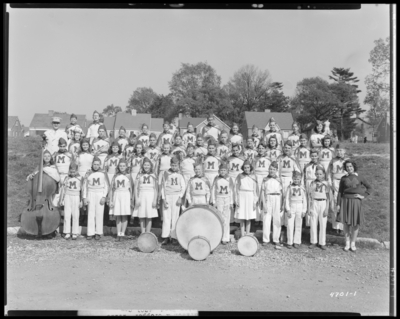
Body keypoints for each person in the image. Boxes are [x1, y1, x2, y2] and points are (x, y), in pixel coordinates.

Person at [337, 160, 372, 252]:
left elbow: (369, 187)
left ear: (354, 167)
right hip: (345, 201)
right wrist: (338, 204)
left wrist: (363, 196)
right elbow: (340, 192)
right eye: (347, 167)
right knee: (346, 223)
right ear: (345, 168)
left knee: (355, 223)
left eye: (351, 166)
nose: (349, 168)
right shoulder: (343, 178)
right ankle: (347, 242)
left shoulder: (360, 177)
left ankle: (353, 243)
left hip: (356, 202)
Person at [159, 157, 186, 245]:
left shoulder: (180, 174)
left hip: (176, 196)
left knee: (175, 217)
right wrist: (164, 198)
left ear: (178, 165)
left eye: (176, 165)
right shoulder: (166, 173)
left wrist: (180, 197)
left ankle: (174, 237)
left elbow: (183, 186)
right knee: (167, 217)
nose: (174, 167)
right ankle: (166, 236)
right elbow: (163, 186)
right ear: (170, 165)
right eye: (173, 165)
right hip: (168, 196)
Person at [82, 156, 109, 240]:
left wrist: (104, 196)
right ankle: (90, 233)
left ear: (100, 165)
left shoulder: (103, 173)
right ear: (92, 164)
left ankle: (98, 232)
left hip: (100, 193)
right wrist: (84, 197)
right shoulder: (88, 173)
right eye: (94, 164)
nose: (96, 166)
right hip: (91, 193)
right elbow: (84, 186)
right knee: (91, 213)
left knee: (99, 213)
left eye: (97, 164)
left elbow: (106, 186)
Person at [307, 165, 332, 250]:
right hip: (314, 202)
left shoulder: (326, 183)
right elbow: (310, 195)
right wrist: (309, 207)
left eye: (320, 174)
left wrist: (327, 209)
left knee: (323, 223)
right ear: (315, 174)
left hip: (323, 202)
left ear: (324, 174)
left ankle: (322, 242)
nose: (319, 176)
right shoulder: (313, 183)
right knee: (313, 222)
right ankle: (313, 241)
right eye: (317, 174)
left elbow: (328, 197)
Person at [259, 161, 283, 248]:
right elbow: (262, 192)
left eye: (274, 169)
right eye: (270, 169)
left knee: (277, 219)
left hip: (277, 198)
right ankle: (266, 239)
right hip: (268, 198)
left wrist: (281, 204)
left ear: (276, 170)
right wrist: (263, 204)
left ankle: (276, 239)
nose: (272, 171)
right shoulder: (265, 179)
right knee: (266, 219)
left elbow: (282, 192)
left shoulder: (279, 180)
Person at [109, 159, 134, 241]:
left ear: (126, 167)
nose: (122, 167)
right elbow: (112, 188)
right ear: (118, 167)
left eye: (123, 166)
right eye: (120, 166)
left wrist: (131, 199)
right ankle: (118, 233)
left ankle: (122, 233)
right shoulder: (115, 176)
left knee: (124, 215)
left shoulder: (129, 176)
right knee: (118, 215)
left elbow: (131, 189)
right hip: (117, 195)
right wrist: (111, 199)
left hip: (125, 195)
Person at [210, 162, 235, 245]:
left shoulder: (229, 179)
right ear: (218, 171)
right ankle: (219, 236)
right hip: (219, 198)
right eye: (221, 170)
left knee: (226, 218)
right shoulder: (216, 179)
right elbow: (213, 190)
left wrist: (231, 202)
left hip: (227, 198)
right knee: (219, 217)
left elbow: (231, 191)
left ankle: (225, 237)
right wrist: (213, 201)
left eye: (224, 170)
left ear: (227, 171)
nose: (223, 172)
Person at [132, 157, 158, 234]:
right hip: (142, 195)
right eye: (145, 165)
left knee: (149, 216)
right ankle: (142, 233)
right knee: (142, 215)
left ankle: (148, 233)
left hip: (150, 195)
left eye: (148, 165)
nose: (146, 166)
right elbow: (136, 187)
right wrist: (136, 199)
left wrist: (155, 200)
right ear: (142, 166)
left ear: (150, 166)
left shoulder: (153, 175)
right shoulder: (139, 175)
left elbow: (156, 189)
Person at [327, 144, 349, 235]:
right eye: (338, 150)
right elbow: (328, 173)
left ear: (344, 151)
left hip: (345, 182)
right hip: (335, 182)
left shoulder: (347, 160)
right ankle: (335, 226)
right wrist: (330, 182)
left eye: (341, 150)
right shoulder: (333, 161)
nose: (339, 152)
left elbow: (352, 171)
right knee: (336, 203)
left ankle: (343, 227)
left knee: (344, 203)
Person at [58, 162, 82, 240]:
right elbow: (63, 189)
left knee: (75, 215)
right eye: (71, 171)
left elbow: (83, 190)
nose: (72, 173)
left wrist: (81, 200)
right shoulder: (66, 178)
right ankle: (67, 232)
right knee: (67, 214)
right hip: (68, 196)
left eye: (74, 171)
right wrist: (62, 199)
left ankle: (75, 232)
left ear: (77, 171)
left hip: (76, 196)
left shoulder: (80, 178)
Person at [235, 160, 258, 238]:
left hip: (250, 196)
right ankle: (242, 235)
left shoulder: (254, 176)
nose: (246, 169)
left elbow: (255, 190)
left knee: (248, 217)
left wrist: (255, 202)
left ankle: (247, 234)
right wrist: (237, 200)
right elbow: (237, 188)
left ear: (250, 168)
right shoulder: (240, 176)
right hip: (242, 196)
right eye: (245, 168)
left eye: (248, 167)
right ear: (243, 168)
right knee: (242, 217)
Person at [284, 171, 307, 248]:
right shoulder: (289, 187)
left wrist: (304, 210)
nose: (296, 180)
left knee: (298, 225)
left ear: (300, 179)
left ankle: (297, 241)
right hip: (292, 206)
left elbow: (305, 200)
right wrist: (288, 209)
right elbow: (287, 199)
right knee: (290, 225)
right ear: (292, 178)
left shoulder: (302, 187)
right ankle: (289, 241)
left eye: (298, 179)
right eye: (295, 179)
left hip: (300, 206)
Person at [303, 148, 322, 227]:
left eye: (315, 156)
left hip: (317, 183)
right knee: (308, 200)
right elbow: (304, 176)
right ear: (310, 156)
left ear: (318, 156)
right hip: (308, 182)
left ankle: (316, 221)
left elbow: (323, 175)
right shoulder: (307, 166)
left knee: (315, 201)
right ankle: (308, 222)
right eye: (312, 156)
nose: (314, 157)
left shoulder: (320, 165)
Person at [253, 142, 271, 224]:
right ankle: (257, 218)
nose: (261, 150)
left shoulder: (268, 158)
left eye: (262, 148)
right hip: (257, 177)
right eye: (259, 148)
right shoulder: (255, 159)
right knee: (257, 196)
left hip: (265, 177)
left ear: (265, 149)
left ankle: (264, 218)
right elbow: (252, 169)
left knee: (264, 197)